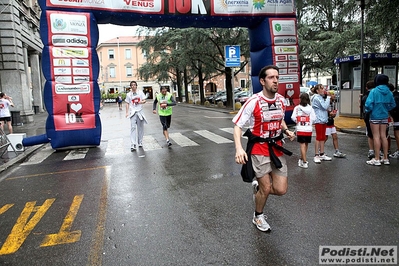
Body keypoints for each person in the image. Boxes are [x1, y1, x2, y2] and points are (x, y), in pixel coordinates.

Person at [233, 65, 295, 232]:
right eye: (271, 77)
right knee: (267, 187)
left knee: (281, 190)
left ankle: (258, 190)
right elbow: (238, 126)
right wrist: (239, 149)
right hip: (259, 149)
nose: (275, 80)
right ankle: (258, 215)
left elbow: (280, 119)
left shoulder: (281, 100)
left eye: (277, 77)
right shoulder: (254, 102)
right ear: (262, 81)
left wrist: (286, 130)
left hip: (277, 148)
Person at [365, 74, 396, 166]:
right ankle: (386, 158)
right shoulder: (389, 92)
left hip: (375, 116)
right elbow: (393, 105)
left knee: (376, 136)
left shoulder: (374, 91)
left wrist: (369, 110)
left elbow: (368, 104)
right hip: (384, 116)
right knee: (384, 136)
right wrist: (386, 109)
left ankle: (377, 158)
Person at [291, 92, 316, 169]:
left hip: (300, 128)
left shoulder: (297, 108)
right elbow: (314, 118)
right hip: (308, 129)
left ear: (300, 99)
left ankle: (304, 162)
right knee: (306, 145)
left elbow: (293, 117)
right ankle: (302, 159)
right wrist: (309, 122)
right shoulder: (311, 108)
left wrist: (298, 121)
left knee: (302, 145)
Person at [311, 84, 334, 163]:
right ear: (317, 91)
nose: (324, 90)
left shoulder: (320, 97)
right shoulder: (317, 98)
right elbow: (324, 106)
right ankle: (316, 155)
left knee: (322, 137)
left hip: (323, 119)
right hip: (319, 120)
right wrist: (328, 97)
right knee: (318, 137)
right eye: (322, 89)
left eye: (324, 88)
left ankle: (322, 153)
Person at [125, 81, 147, 151]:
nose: (133, 86)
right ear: (130, 87)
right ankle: (133, 144)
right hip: (133, 113)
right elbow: (127, 103)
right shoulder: (129, 94)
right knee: (133, 128)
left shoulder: (140, 92)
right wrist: (127, 112)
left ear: (136, 86)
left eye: (134, 85)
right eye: (132, 85)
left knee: (140, 128)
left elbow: (144, 100)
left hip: (140, 112)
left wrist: (140, 102)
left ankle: (140, 142)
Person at [361, 80, 376, 159]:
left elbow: (366, 106)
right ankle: (381, 152)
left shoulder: (366, 96)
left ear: (366, 88)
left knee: (370, 135)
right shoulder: (378, 94)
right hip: (380, 116)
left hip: (369, 116)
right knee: (380, 135)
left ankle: (371, 150)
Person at [388, 83, 399, 159]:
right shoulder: (397, 94)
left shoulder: (393, 97)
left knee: (397, 134)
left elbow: (394, 108)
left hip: (397, 118)